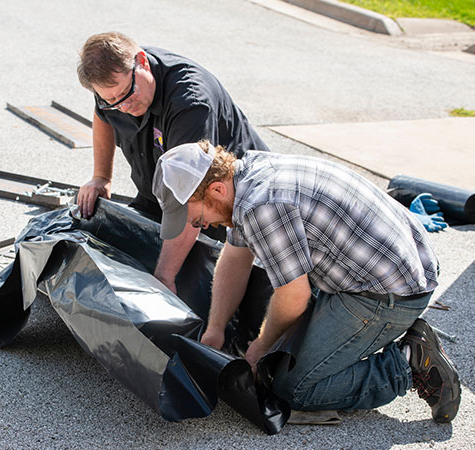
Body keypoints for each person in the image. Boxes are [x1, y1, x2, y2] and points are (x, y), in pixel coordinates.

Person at [151, 140, 461, 423]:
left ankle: (409, 363)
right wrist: (215, 328)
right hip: (389, 264)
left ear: (216, 190)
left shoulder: (261, 206)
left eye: (196, 218)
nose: (201, 225)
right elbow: (234, 258)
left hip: (389, 293)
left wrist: (260, 347)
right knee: (282, 357)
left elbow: (294, 296)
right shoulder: (247, 175)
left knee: (293, 389)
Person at [76, 32, 268, 293]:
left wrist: (165, 277)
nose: (122, 106)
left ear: (141, 61)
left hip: (221, 205)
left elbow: (190, 197)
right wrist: (101, 176)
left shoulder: (189, 103)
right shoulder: (115, 88)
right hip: (164, 191)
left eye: (126, 94)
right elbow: (103, 115)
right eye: (111, 101)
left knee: (204, 286)